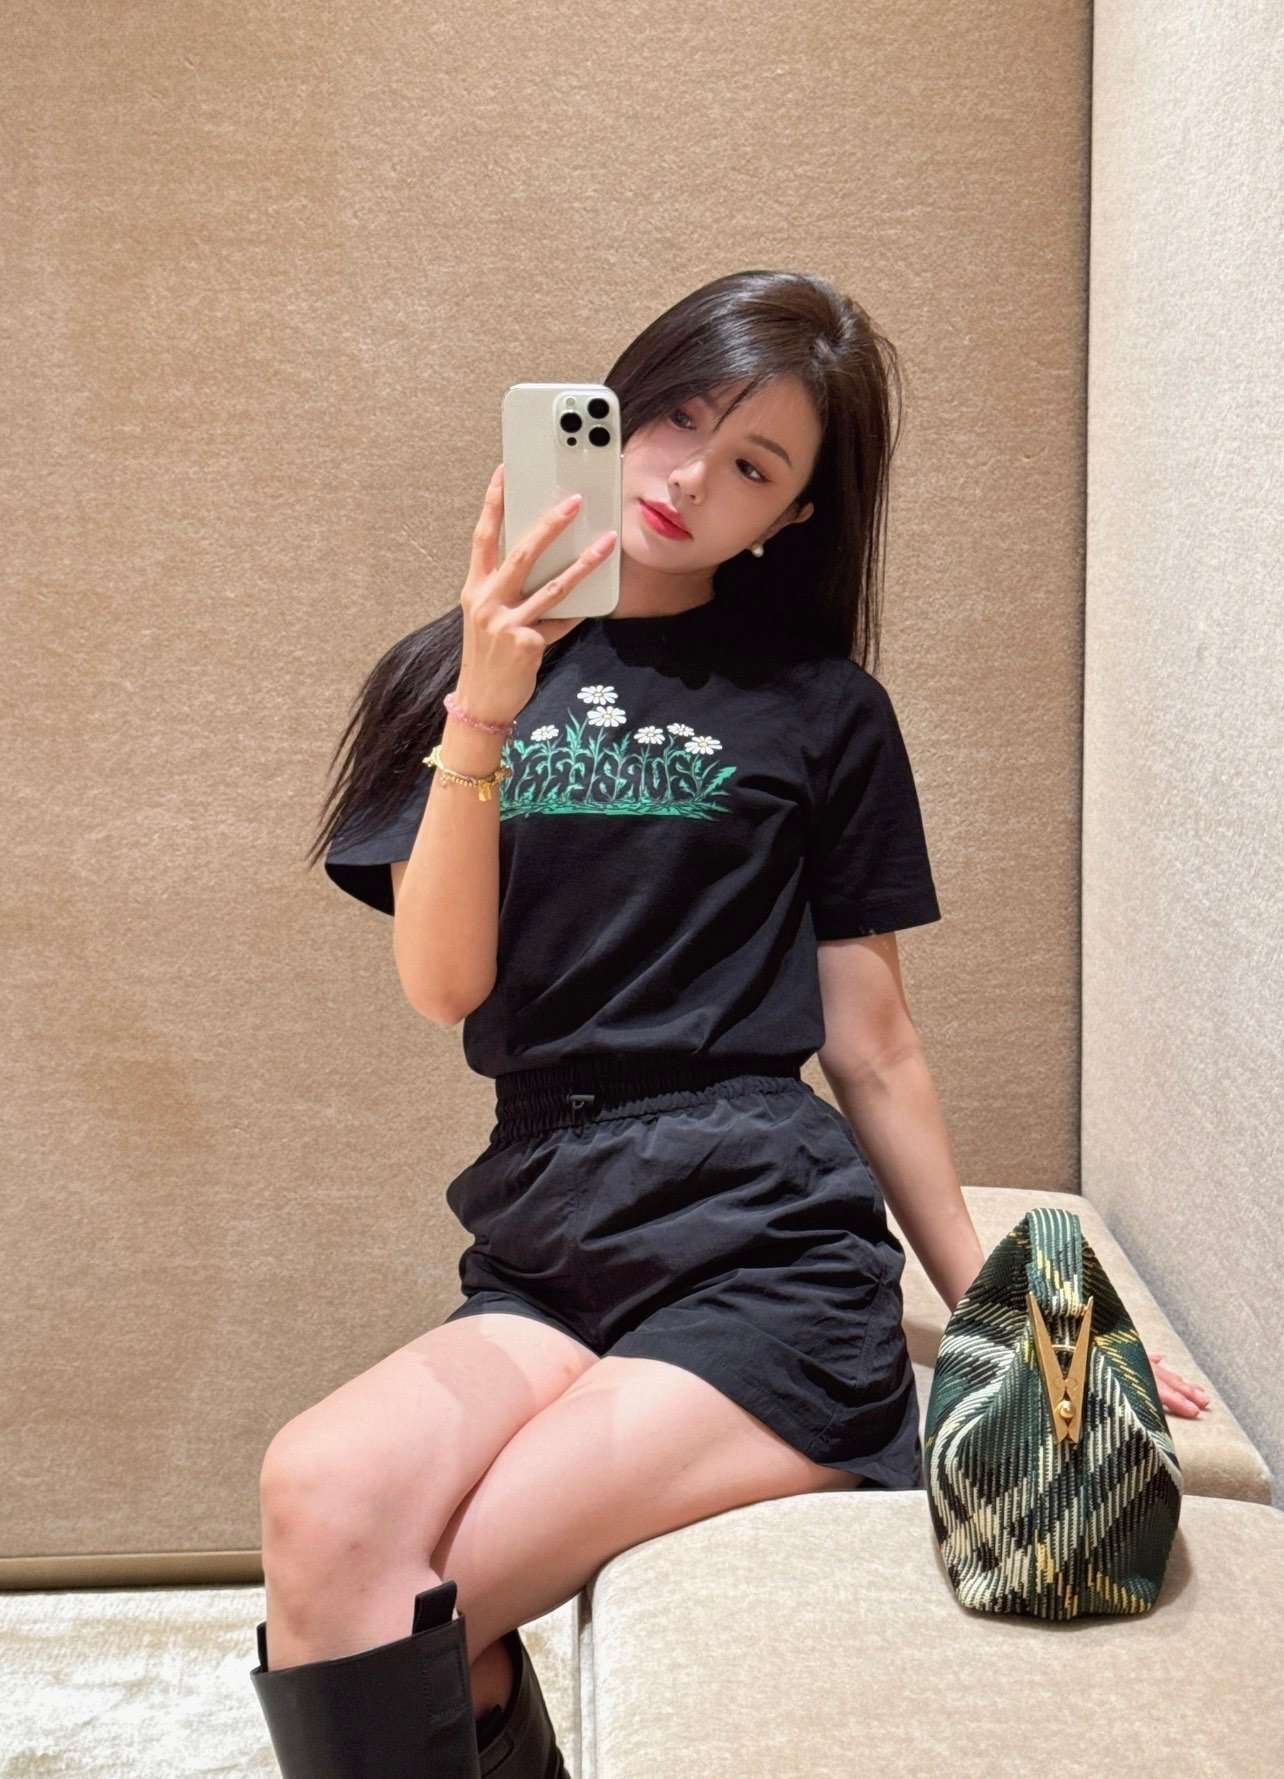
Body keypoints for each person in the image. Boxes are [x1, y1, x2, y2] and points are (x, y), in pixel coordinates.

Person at [248, 269, 1213, 1779]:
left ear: (794, 518)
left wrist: (1002, 1307)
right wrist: (486, 702)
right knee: (317, 1491)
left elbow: (872, 1043)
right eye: (677, 416)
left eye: (753, 464)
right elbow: (445, 987)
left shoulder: (822, 709)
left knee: (411, 1603)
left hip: (764, 1244)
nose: (691, 475)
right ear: (614, 408)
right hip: (549, 1236)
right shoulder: (445, 677)